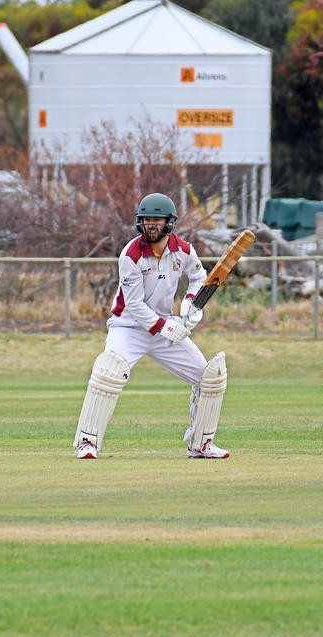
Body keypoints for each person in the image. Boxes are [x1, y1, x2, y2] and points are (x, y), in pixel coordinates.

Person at [72, 192, 230, 460]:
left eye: (157, 220)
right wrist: (166, 328)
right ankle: (87, 443)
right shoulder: (130, 255)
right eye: (147, 220)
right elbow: (134, 305)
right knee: (108, 373)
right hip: (129, 328)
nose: (151, 225)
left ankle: (201, 443)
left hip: (164, 325)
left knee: (209, 378)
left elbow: (199, 277)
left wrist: (190, 305)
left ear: (169, 223)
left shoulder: (184, 251)